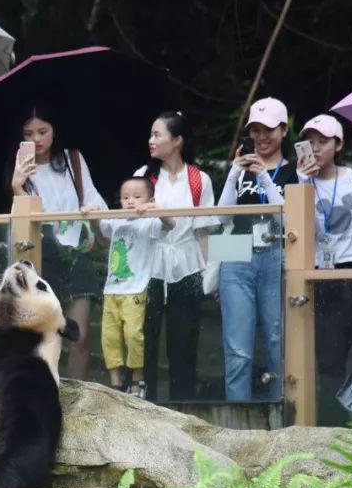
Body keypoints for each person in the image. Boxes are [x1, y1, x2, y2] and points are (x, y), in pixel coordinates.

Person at [294, 114, 352, 425]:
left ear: (339, 144)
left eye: (323, 141)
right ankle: (332, 423)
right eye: (310, 141)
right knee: (327, 355)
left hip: (351, 269)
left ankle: (333, 418)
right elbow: (302, 230)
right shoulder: (301, 180)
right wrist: (303, 182)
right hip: (316, 273)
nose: (315, 148)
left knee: (341, 349)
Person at [9, 104, 108, 380]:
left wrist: (95, 214)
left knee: (80, 333)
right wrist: (17, 186)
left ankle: (77, 394)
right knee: (44, 336)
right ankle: (47, 392)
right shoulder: (20, 169)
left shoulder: (73, 159)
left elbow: (91, 198)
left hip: (76, 252)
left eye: (43, 131)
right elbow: (19, 223)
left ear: (54, 131)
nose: (36, 139)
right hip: (42, 255)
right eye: (28, 134)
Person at [216, 97, 298, 401]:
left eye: (269, 130)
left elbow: (289, 218)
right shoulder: (238, 169)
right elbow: (222, 217)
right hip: (235, 248)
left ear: (284, 131)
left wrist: (263, 174)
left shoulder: (294, 172)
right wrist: (235, 172)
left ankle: (282, 414)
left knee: (278, 341)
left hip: (275, 251)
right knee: (236, 348)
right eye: (255, 130)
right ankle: (236, 422)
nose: (261, 137)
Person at [133, 112, 217, 401]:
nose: (151, 140)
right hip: (150, 268)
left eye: (158, 135)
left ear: (177, 140)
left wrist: (209, 275)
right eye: (151, 134)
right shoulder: (143, 176)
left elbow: (203, 232)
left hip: (187, 266)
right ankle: (146, 405)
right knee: (146, 341)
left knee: (184, 344)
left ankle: (184, 408)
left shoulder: (199, 179)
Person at [83, 177, 173, 398]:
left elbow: (170, 223)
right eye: (125, 197)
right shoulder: (116, 220)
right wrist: (92, 215)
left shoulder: (149, 221)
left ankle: (137, 378)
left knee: (133, 335)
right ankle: (115, 381)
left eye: (137, 196)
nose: (130, 201)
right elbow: (101, 230)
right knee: (109, 337)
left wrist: (153, 208)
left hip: (135, 289)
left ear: (150, 199)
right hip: (112, 290)